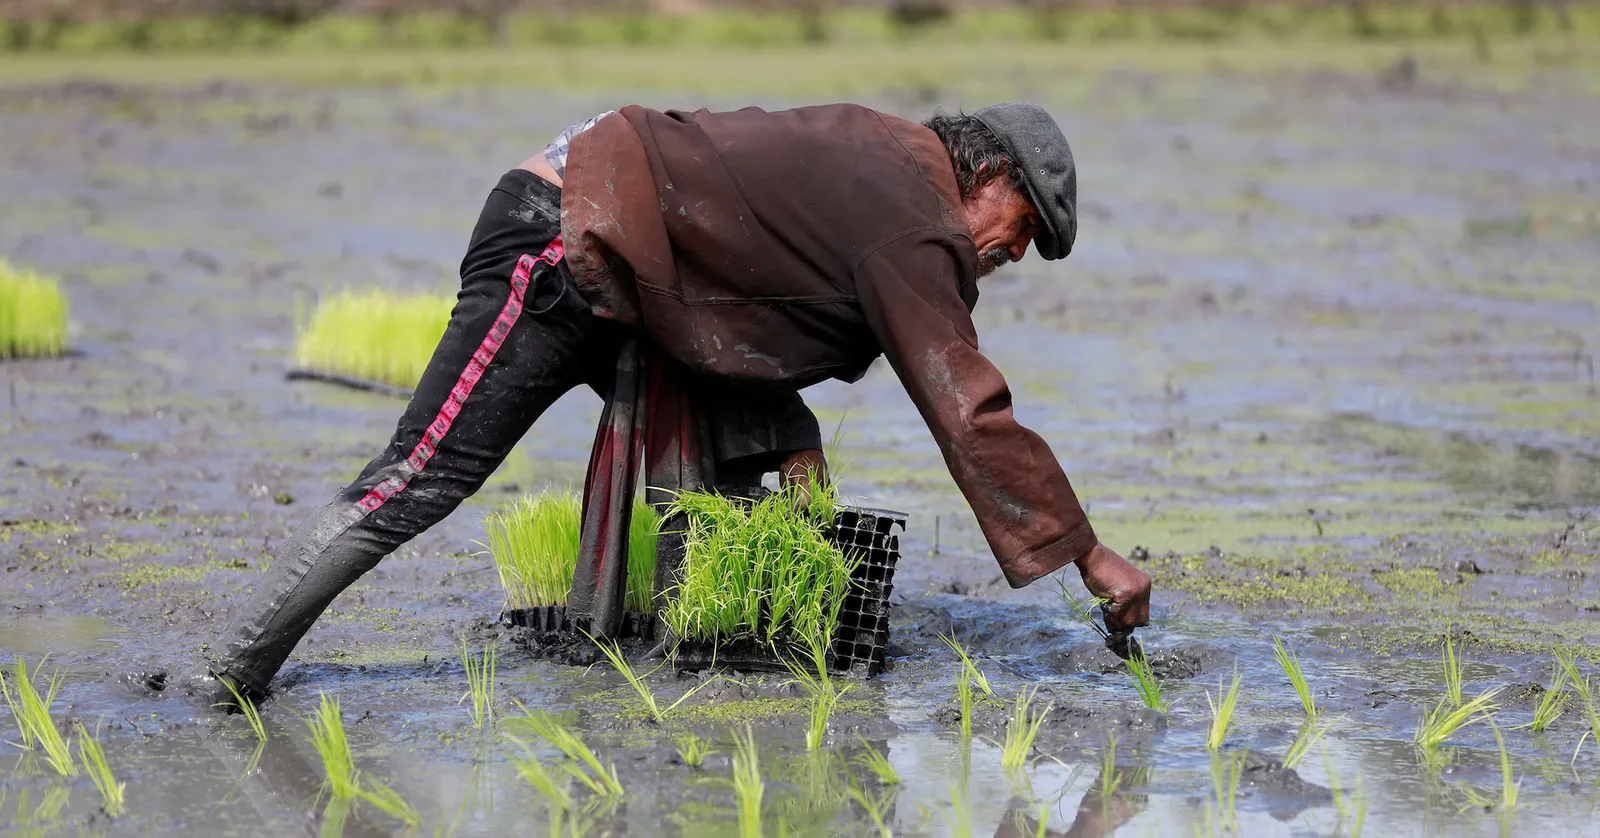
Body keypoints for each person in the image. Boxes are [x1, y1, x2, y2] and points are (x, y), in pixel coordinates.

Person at [184, 101, 1153, 705]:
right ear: (986, 177)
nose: (1010, 255)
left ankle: (625, 654)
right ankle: (226, 671)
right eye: (1020, 230)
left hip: (630, 277)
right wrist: (1085, 551)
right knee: (421, 478)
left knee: (719, 484)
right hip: (559, 241)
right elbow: (966, 406)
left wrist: (793, 429)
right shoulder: (914, 213)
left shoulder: (885, 163)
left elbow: (750, 286)